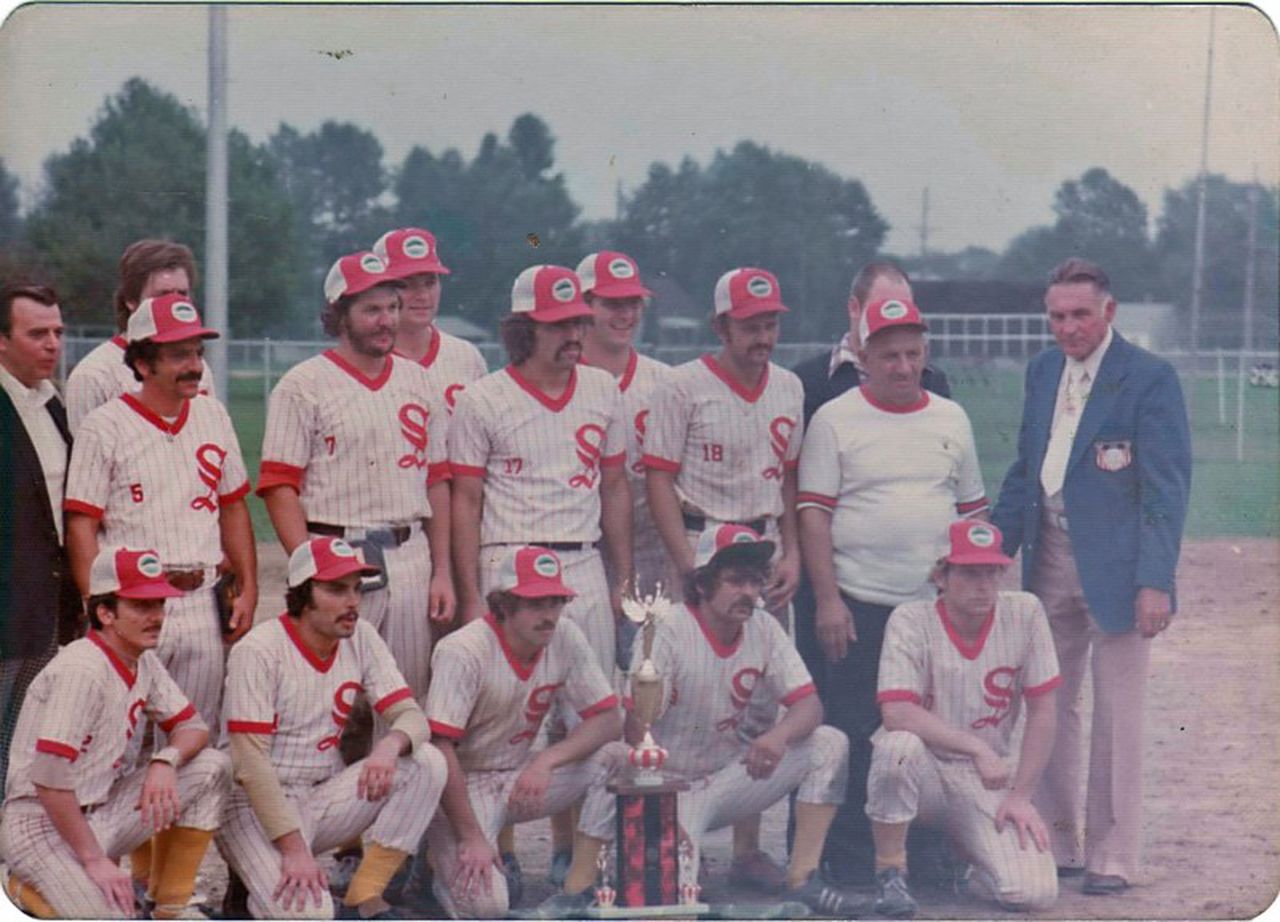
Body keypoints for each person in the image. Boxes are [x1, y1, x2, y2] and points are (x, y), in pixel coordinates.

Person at [991, 257, 1191, 895]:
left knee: (1117, 712)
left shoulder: (1149, 378)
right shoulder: (1043, 370)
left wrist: (1155, 579)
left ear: (1109, 311)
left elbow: (1165, 491)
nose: (1068, 327)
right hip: (1047, 550)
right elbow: (1027, 467)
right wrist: (995, 546)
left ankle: (1112, 853)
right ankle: (1056, 838)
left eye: (1080, 314)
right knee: (1050, 700)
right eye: (1057, 316)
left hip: (1121, 567)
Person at [551, 525, 860, 919]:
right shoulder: (666, 627)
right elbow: (634, 729)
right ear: (702, 583)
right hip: (663, 784)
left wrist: (778, 736)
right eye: (735, 580)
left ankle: (803, 878)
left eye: (755, 580)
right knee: (675, 896)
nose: (748, 592)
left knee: (828, 743)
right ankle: (578, 886)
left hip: (723, 781)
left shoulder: (763, 626)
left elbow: (810, 705)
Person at [449, 263, 632, 885]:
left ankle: (573, 852)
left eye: (577, 321)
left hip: (580, 556)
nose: (572, 334)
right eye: (556, 324)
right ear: (522, 329)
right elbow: (466, 500)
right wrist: (473, 591)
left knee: (586, 712)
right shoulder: (483, 398)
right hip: (509, 559)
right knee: (500, 714)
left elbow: (613, 485)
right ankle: (497, 845)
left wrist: (621, 575)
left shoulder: (603, 389)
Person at [797, 296, 988, 886]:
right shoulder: (836, 418)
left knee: (928, 736)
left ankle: (926, 860)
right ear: (864, 355)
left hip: (933, 611)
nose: (903, 367)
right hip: (859, 603)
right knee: (857, 731)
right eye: (889, 355)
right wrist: (828, 600)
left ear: (925, 354)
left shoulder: (950, 417)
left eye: (913, 354)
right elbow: (813, 516)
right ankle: (854, 863)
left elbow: (972, 509)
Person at [641, 266, 804, 889]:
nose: (763, 334)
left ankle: (747, 846)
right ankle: (667, 825)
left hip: (761, 541)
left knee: (761, 694)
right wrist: (686, 562)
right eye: (750, 323)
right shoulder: (683, 386)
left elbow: (788, 477)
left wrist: (788, 551)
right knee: (682, 687)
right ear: (720, 325)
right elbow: (657, 475)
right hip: (703, 536)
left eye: (770, 322)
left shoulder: (788, 387)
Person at [257, 250, 453, 706]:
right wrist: (311, 566)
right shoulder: (303, 384)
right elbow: (279, 485)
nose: (386, 320)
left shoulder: (420, 383)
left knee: (406, 699)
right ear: (339, 315)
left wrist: (442, 570)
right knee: (328, 702)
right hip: (337, 551)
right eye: (371, 310)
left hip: (408, 555)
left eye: (392, 307)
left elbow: (437, 481)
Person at [217, 536, 447, 920]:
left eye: (357, 589)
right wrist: (294, 851)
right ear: (303, 594)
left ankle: (365, 895)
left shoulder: (362, 637)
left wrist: (389, 746)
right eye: (337, 589)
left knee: (426, 762)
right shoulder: (258, 651)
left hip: (319, 796)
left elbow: (412, 717)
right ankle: (251, 884)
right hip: (251, 805)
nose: (353, 602)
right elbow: (250, 765)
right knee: (308, 914)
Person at [1, 545, 231, 920]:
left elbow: (194, 727)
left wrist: (164, 760)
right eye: (141, 606)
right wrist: (96, 860)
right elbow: (48, 777)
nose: (156, 617)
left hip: (101, 812)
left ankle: (170, 907)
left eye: (159, 604)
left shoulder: (143, 661)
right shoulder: (82, 669)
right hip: (40, 823)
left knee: (213, 766)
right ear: (106, 613)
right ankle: (21, 891)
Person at [65, 293, 258, 731]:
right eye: (177, 355)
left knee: (194, 735)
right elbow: (82, 525)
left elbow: (232, 506)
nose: (193, 365)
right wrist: (98, 605)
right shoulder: (105, 425)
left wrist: (248, 587)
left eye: (196, 352)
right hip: (133, 602)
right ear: (144, 363)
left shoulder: (213, 415)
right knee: (120, 742)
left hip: (200, 599)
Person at [866, 519, 1060, 918]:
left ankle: (967, 851)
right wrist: (975, 747)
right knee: (895, 747)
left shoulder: (1025, 612)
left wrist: (1021, 795)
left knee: (1033, 893)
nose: (984, 585)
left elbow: (1044, 710)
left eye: (992, 572)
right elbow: (897, 711)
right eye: (970, 573)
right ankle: (890, 871)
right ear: (941, 575)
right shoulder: (911, 618)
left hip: (984, 779)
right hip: (926, 771)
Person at [423, 545, 623, 919]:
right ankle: (435, 859)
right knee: (488, 907)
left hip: (517, 775)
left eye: (555, 602)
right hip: (461, 787)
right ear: (503, 604)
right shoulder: (463, 649)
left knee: (620, 759)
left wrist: (547, 760)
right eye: (535, 604)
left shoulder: (564, 634)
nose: (549, 615)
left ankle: (578, 883)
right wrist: (472, 838)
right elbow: (440, 749)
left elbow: (609, 719)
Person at [789, 261, 951, 693]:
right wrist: (825, 597)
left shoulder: (936, 386)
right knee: (841, 708)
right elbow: (805, 501)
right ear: (854, 310)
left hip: (915, 589)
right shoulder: (808, 384)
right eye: (883, 309)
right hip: (840, 590)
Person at [0, 282, 80, 800]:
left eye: (58, 332)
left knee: (24, 741)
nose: (53, 344)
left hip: (47, 612)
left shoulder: (52, 404)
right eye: (37, 333)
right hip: (5, 611)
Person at [576, 250, 669, 602]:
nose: (626, 315)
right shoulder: (561, 379)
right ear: (584, 306)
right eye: (613, 304)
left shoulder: (667, 383)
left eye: (633, 303)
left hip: (652, 549)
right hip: (582, 551)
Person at [65, 239, 213, 434]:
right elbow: (86, 457)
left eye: (182, 294)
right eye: (163, 295)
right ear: (131, 300)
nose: (174, 304)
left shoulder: (198, 368)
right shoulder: (93, 375)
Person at [375, 227, 488, 415]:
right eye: (406, 284)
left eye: (430, 283)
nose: (422, 295)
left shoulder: (466, 357)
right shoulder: (365, 359)